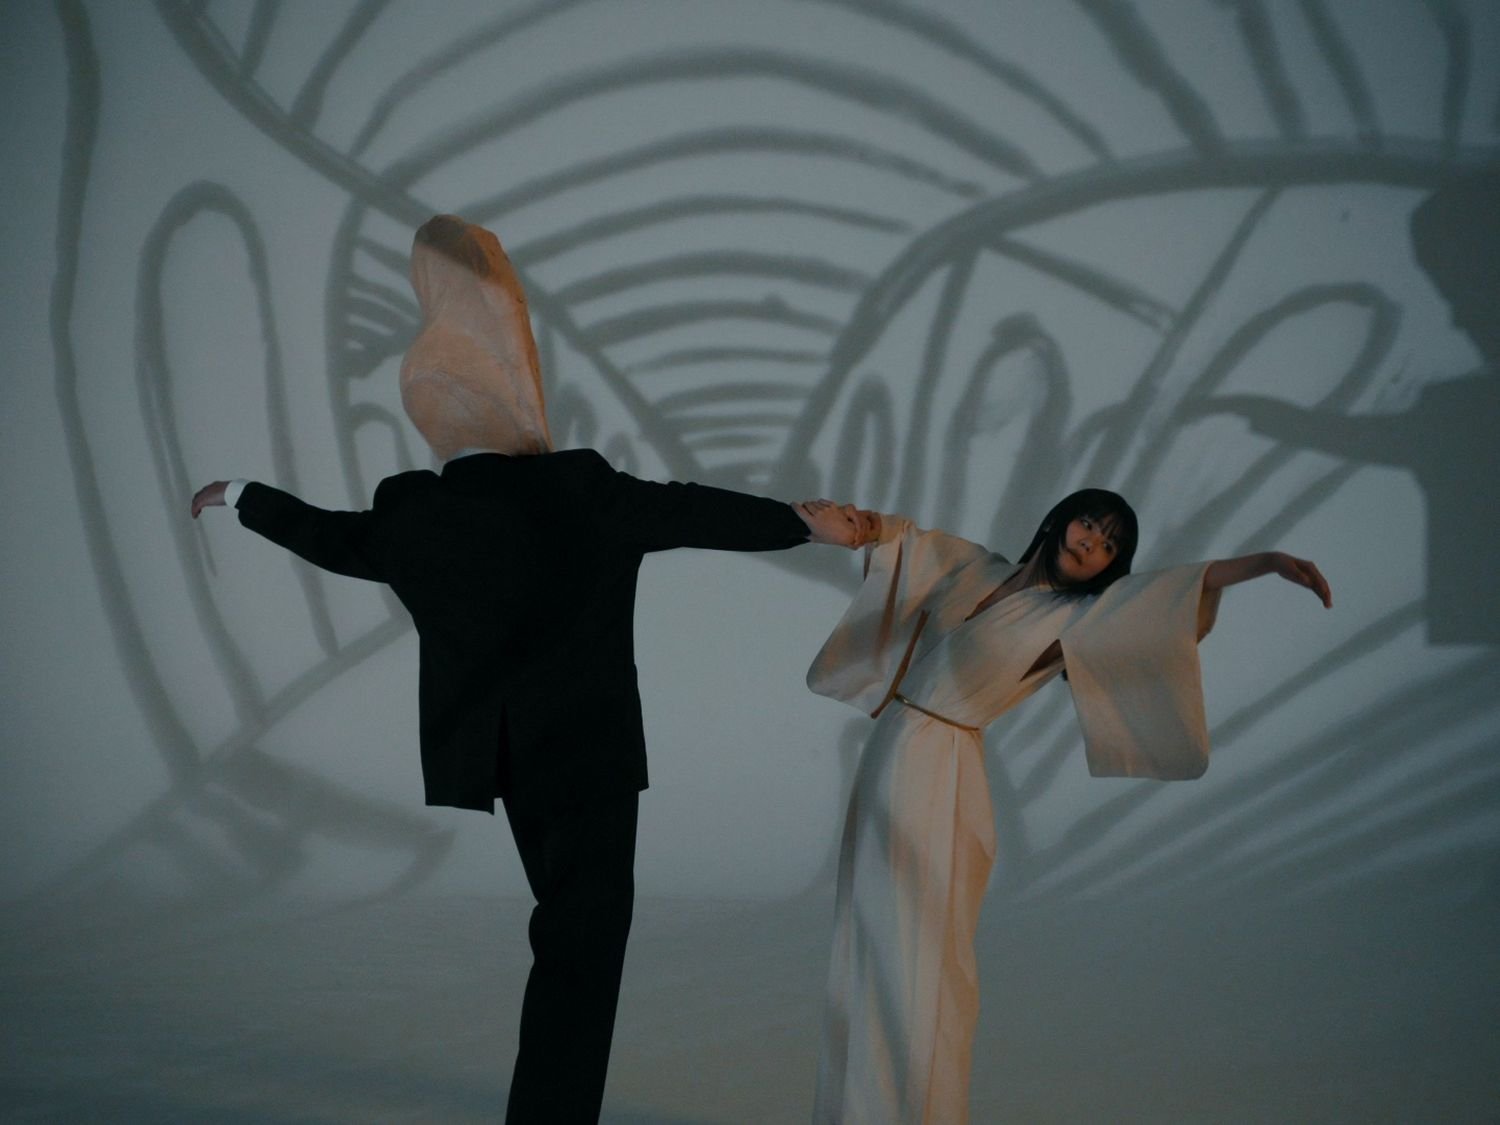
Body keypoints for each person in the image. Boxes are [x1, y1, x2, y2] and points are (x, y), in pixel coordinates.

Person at [190, 214, 862, 1124]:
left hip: (501, 760)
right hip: (588, 755)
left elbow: (330, 537)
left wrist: (242, 496)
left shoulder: (416, 513)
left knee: (565, 929)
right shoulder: (579, 489)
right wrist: (798, 523)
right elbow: (689, 510)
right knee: (583, 943)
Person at [801, 489, 1331, 1123]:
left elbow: (1166, 602)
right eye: (1088, 525)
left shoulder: (1077, 615)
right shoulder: (977, 569)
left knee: (918, 946)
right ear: (1059, 519)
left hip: (940, 766)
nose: (1091, 545)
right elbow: (904, 542)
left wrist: (1264, 563)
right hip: (891, 746)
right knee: (869, 930)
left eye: (1109, 545)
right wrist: (854, 527)